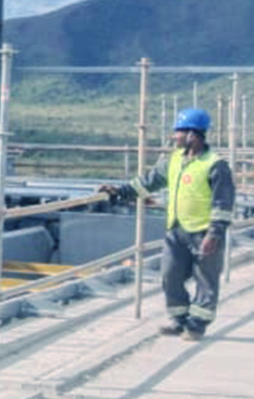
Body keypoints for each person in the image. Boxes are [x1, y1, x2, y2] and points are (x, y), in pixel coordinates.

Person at [100, 107, 235, 342]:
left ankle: (197, 325)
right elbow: (150, 182)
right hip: (177, 229)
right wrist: (120, 191)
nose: (174, 137)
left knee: (206, 280)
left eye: (178, 132)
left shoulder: (215, 164)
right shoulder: (174, 160)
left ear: (192, 134)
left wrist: (215, 233)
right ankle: (179, 319)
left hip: (204, 232)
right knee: (170, 274)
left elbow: (223, 202)